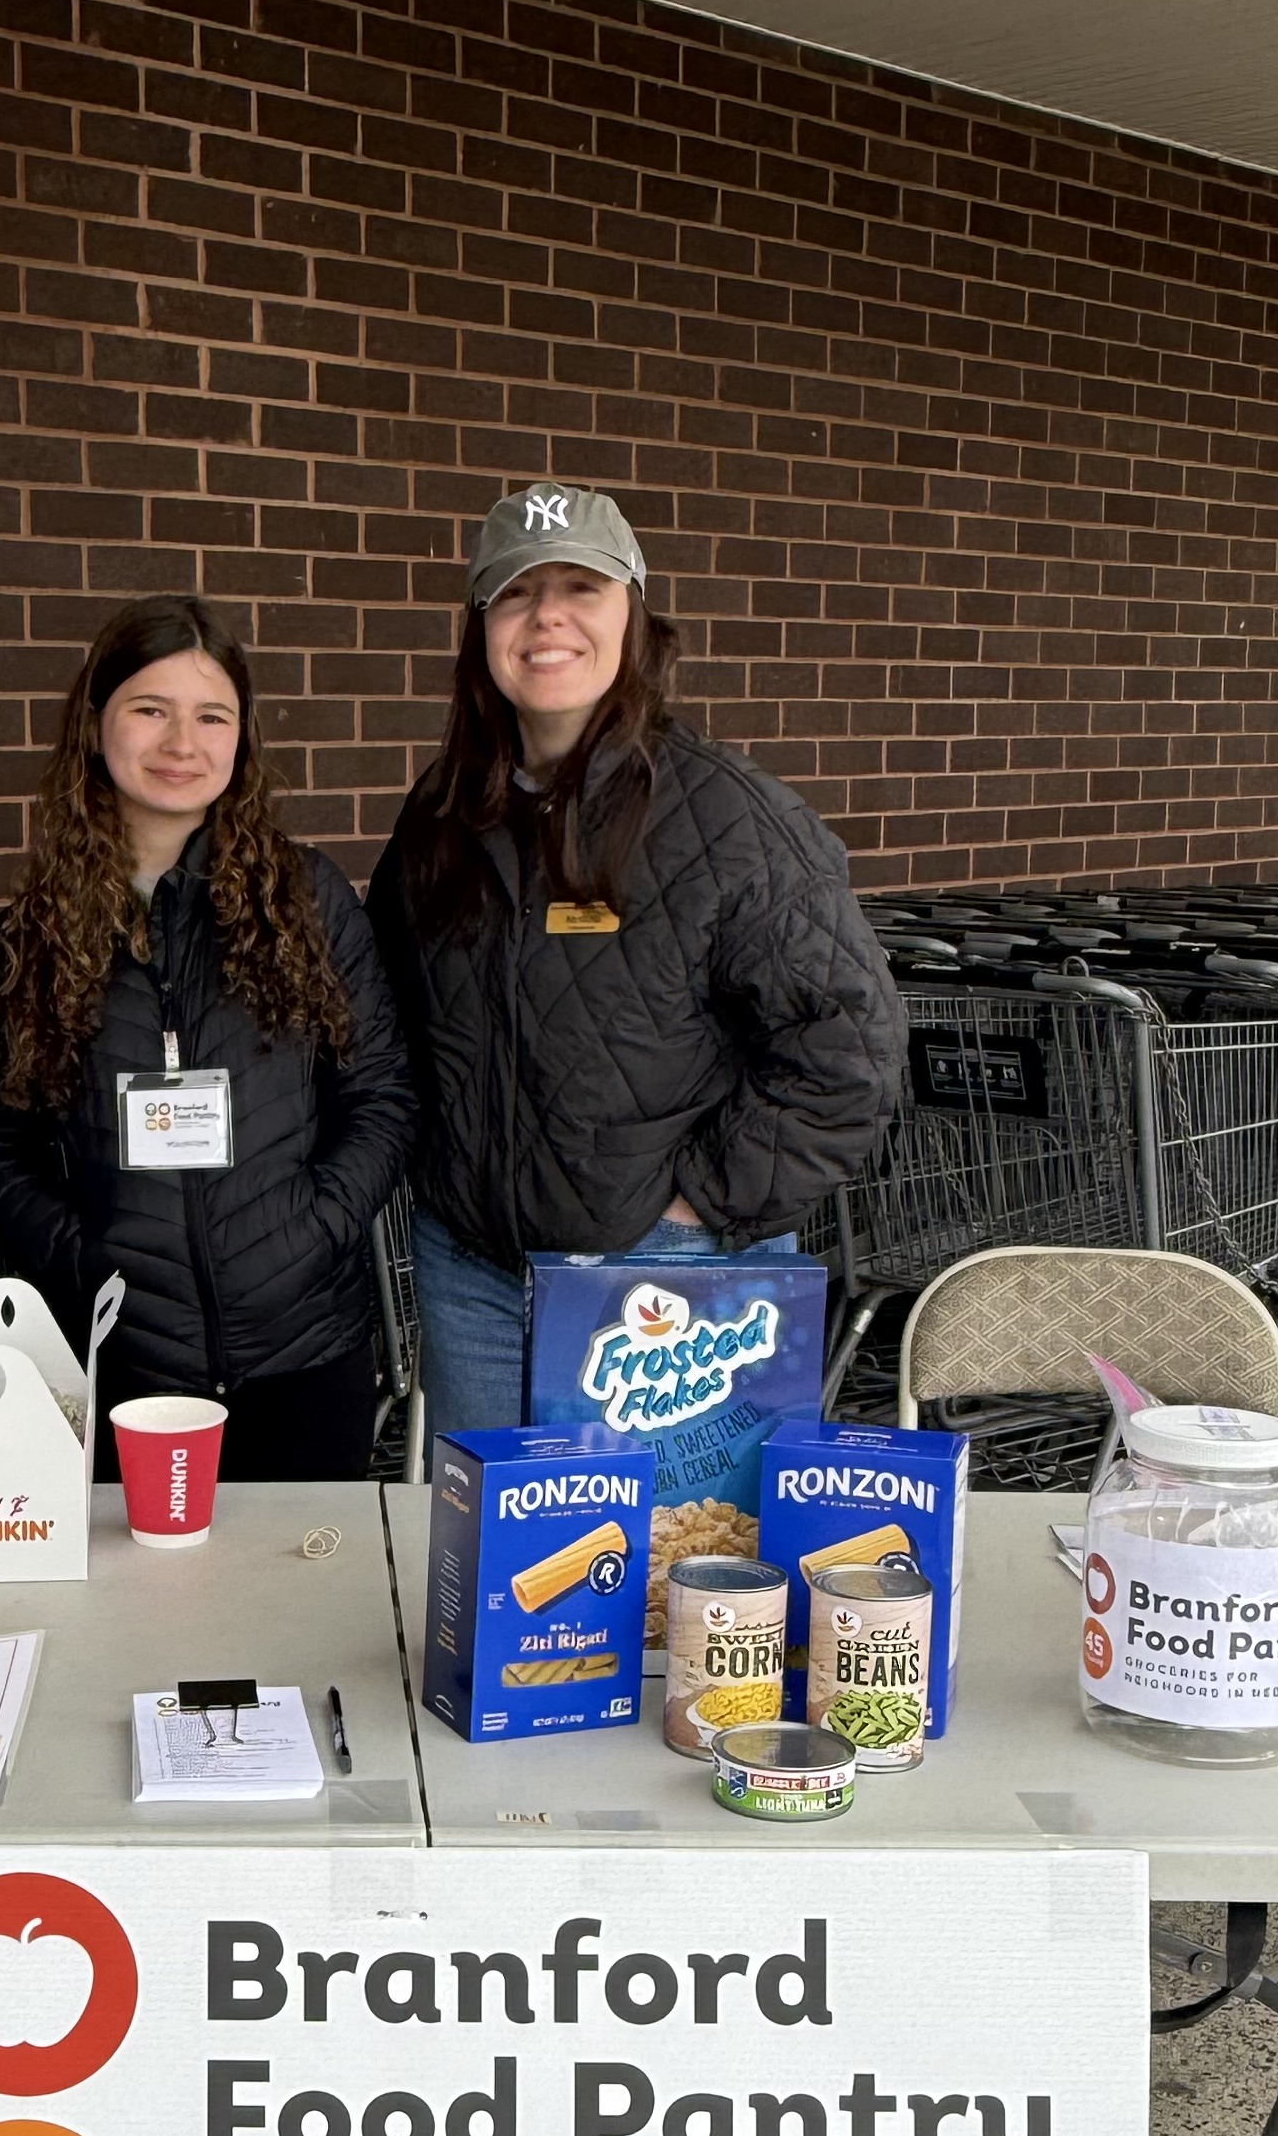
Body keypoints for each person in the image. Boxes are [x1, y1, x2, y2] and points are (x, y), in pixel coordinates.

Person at [367, 481, 905, 1443]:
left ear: (633, 614)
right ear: (481, 625)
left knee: (668, 1577)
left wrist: (700, 1204)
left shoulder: (727, 816)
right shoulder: (441, 816)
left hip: (664, 1284)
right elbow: (397, 1016)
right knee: (506, 1567)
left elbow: (851, 1046)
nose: (549, 619)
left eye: (583, 587)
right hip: (474, 1276)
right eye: (517, 591)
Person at [0, 594, 417, 1479]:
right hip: (120, 1363)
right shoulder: (36, 933)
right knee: (140, 1614)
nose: (181, 743)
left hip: (304, 1351)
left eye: (212, 716)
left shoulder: (307, 902)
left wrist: (315, 1227)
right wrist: (83, 1257)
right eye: (150, 710)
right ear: (95, 726)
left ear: (241, 741)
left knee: (299, 1608)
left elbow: (381, 1095)